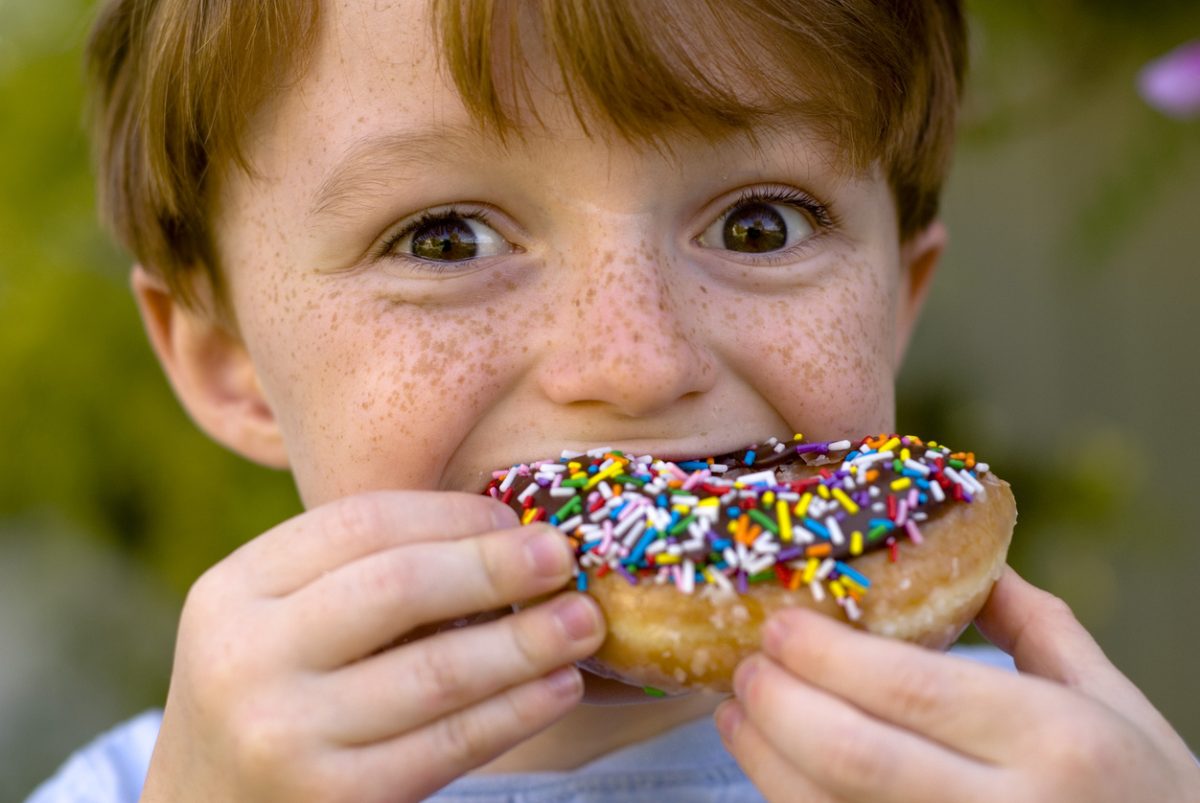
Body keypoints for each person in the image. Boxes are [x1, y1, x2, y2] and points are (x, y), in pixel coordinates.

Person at [31, 0, 1200, 800]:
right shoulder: (158, 784)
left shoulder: (1038, 769)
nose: (636, 362)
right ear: (228, 361)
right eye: (444, 238)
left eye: (761, 223)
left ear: (899, 297)